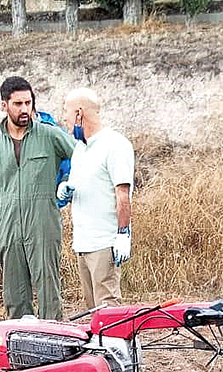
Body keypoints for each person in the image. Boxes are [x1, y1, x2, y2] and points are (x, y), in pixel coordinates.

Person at [0, 76, 76, 320]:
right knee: (14, 289)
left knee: (48, 285)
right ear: (4, 105)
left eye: (28, 103)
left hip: (43, 220)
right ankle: (21, 340)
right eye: (18, 104)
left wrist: (68, 183)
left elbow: (83, 156)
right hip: (8, 223)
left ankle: (52, 337)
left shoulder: (49, 135)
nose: (25, 110)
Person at [61, 88, 135, 309]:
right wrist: (66, 189)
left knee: (108, 308)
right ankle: (99, 345)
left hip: (104, 242)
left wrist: (123, 234)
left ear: (79, 113)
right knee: (93, 308)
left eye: (66, 111)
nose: (64, 118)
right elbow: (78, 185)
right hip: (83, 241)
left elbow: (122, 194)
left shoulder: (115, 145)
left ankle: (117, 345)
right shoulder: (80, 149)